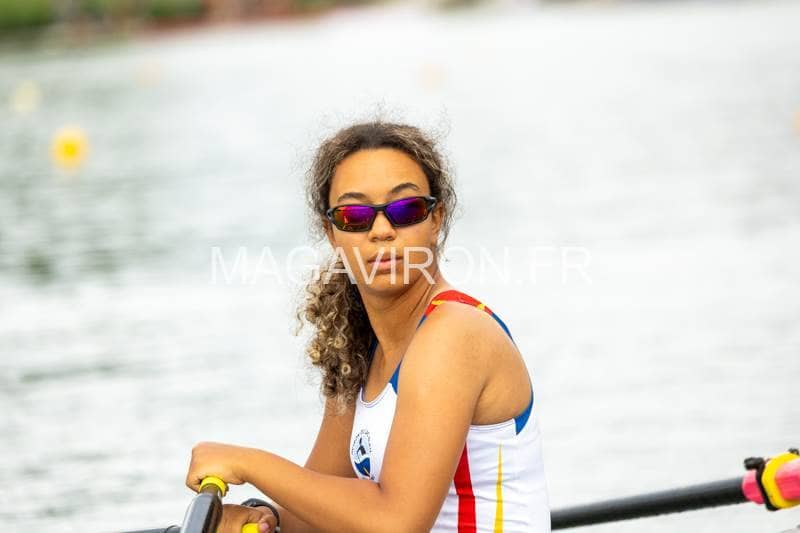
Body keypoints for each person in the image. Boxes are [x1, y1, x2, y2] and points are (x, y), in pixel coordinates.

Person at [185, 121, 551, 532]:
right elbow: (313, 521)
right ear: (332, 232)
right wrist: (265, 517)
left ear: (436, 220)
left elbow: (396, 522)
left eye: (406, 210)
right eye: (355, 215)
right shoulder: (360, 350)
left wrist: (247, 463)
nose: (381, 231)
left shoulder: (455, 333)